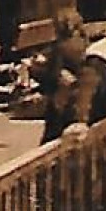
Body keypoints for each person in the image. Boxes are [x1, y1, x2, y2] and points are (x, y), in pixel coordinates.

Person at [34, 8, 88, 144]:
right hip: (67, 94)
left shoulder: (62, 47)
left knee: (54, 134)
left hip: (62, 96)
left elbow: (48, 71)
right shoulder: (81, 43)